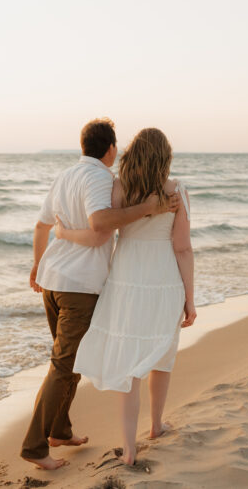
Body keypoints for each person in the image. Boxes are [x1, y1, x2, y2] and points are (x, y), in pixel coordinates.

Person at [21, 119, 180, 471]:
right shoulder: (99, 179)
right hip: (79, 284)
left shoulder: (65, 176)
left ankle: (59, 431)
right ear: (109, 149)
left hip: (51, 280)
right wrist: (150, 208)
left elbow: (41, 225)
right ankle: (34, 447)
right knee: (64, 366)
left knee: (70, 362)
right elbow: (98, 229)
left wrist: (36, 265)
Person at [55, 127, 196, 466]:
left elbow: (103, 229)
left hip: (126, 281)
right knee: (163, 353)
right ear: (165, 157)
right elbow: (183, 248)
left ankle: (129, 447)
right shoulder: (176, 191)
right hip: (163, 280)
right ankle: (157, 425)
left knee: (129, 366)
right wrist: (190, 298)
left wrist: (62, 233)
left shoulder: (120, 188)